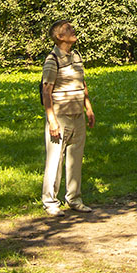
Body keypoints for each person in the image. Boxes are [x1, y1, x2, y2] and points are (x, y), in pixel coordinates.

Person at [41, 19, 96, 215]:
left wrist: (88, 108)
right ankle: (50, 202)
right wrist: (52, 120)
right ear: (59, 37)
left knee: (75, 159)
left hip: (77, 116)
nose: (73, 30)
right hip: (60, 116)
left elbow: (82, 83)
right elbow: (46, 91)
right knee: (55, 160)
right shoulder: (52, 60)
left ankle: (74, 199)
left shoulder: (77, 56)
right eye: (68, 29)